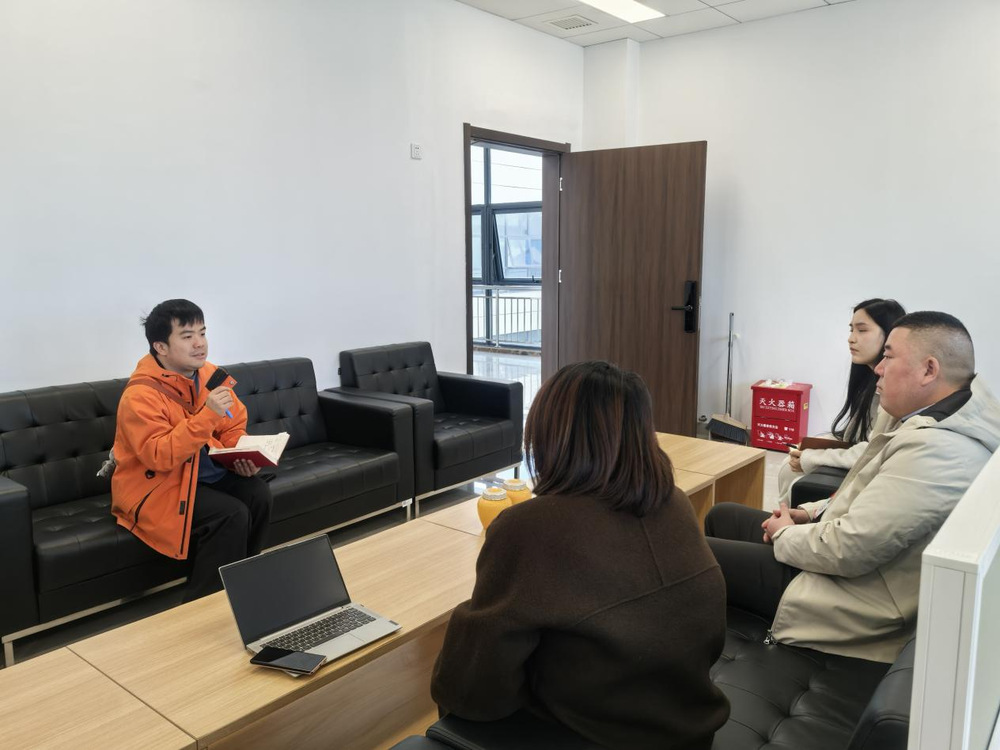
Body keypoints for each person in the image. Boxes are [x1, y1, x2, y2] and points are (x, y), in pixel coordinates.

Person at [431, 361, 729, 749]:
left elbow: (473, 690)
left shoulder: (531, 526)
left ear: (551, 435)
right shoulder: (673, 501)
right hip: (693, 730)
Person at [707, 312, 1000, 663]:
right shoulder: (928, 417)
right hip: (840, 564)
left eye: (888, 356)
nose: (879, 369)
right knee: (722, 515)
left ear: (928, 370)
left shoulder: (940, 451)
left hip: (850, 596)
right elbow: (862, 489)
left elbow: (849, 549)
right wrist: (808, 513)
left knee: (694, 554)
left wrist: (785, 533)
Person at [111, 299, 273, 601]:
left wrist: (239, 456)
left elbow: (233, 425)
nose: (199, 343)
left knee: (258, 494)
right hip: (159, 485)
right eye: (187, 336)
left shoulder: (209, 375)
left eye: (202, 333)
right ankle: (204, 604)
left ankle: (242, 585)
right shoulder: (140, 395)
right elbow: (159, 456)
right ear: (161, 347)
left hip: (202, 474)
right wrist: (207, 415)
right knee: (231, 514)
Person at [777, 298, 906, 503]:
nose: (851, 339)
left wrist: (812, 457)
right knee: (789, 466)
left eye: (862, 330)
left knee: (793, 473)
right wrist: (812, 449)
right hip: (861, 457)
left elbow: (873, 450)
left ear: (890, 335)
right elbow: (857, 438)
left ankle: (786, 518)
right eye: (851, 329)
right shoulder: (868, 380)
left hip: (871, 472)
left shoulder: (894, 390)